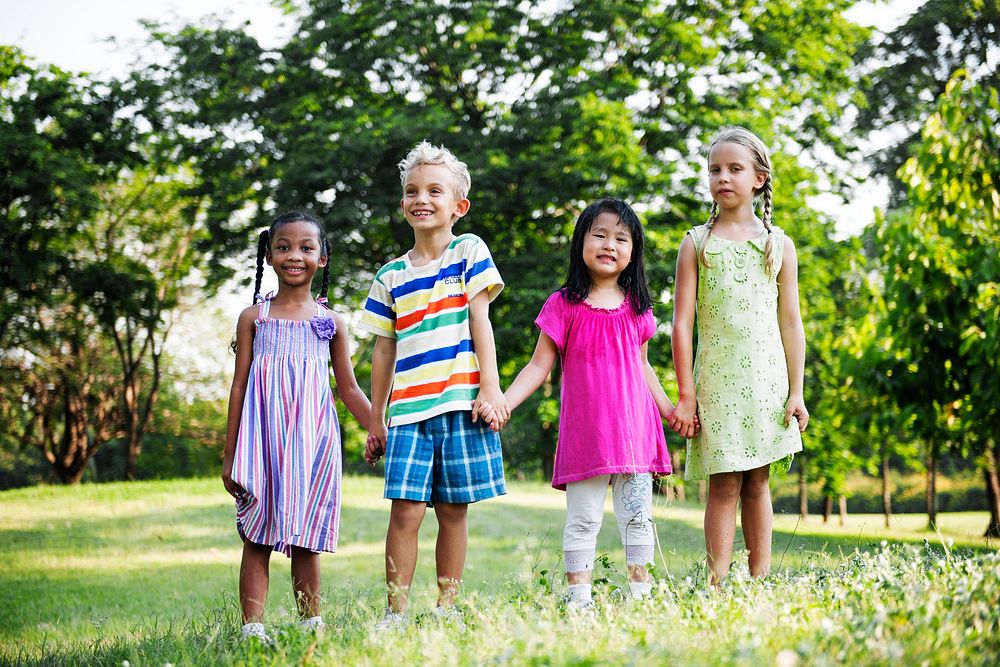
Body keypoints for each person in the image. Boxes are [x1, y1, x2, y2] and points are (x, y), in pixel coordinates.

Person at [502, 198, 679, 609]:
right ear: (581, 242)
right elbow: (538, 365)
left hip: (635, 433)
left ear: (632, 251)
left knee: (638, 518)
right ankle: (579, 601)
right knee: (583, 519)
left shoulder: (638, 308)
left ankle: (641, 597)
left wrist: (670, 411)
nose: (609, 244)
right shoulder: (563, 304)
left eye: (621, 238)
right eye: (599, 234)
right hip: (587, 436)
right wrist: (504, 402)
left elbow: (643, 368)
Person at [360, 141, 507, 629]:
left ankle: (447, 609)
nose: (421, 198)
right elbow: (383, 350)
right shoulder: (390, 275)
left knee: (452, 511)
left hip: (460, 403)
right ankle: (395, 612)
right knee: (404, 512)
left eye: (434, 190)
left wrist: (491, 388)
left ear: (458, 206)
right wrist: (376, 418)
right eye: (411, 191)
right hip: (407, 413)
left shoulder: (469, 251)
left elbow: (479, 320)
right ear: (403, 204)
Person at [222, 211, 373, 643]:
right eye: (284, 246)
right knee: (258, 534)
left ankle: (311, 625)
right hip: (261, 443)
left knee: (306, 536)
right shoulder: (254, 318)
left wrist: (378, 429)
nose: (295, 256)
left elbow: (348, 388)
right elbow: (238, 386)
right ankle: (253, 629)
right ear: (268, 255)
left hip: (312, 443)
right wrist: (230, 455)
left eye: (307, 248)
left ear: (322, 259)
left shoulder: (332, 323)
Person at [668, 126, 808, 587]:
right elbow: (682, 324)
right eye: (714, 170)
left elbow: (791, 323)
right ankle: (716, 583)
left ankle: (760, 580)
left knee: (758, 484)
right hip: (718, 384)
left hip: (767, 386)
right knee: (724, 484)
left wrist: (797, 392)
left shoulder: (778, 246)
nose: (722, 178)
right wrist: (686, 396)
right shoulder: (696, 244)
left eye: (734, 169)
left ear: (759, 178)